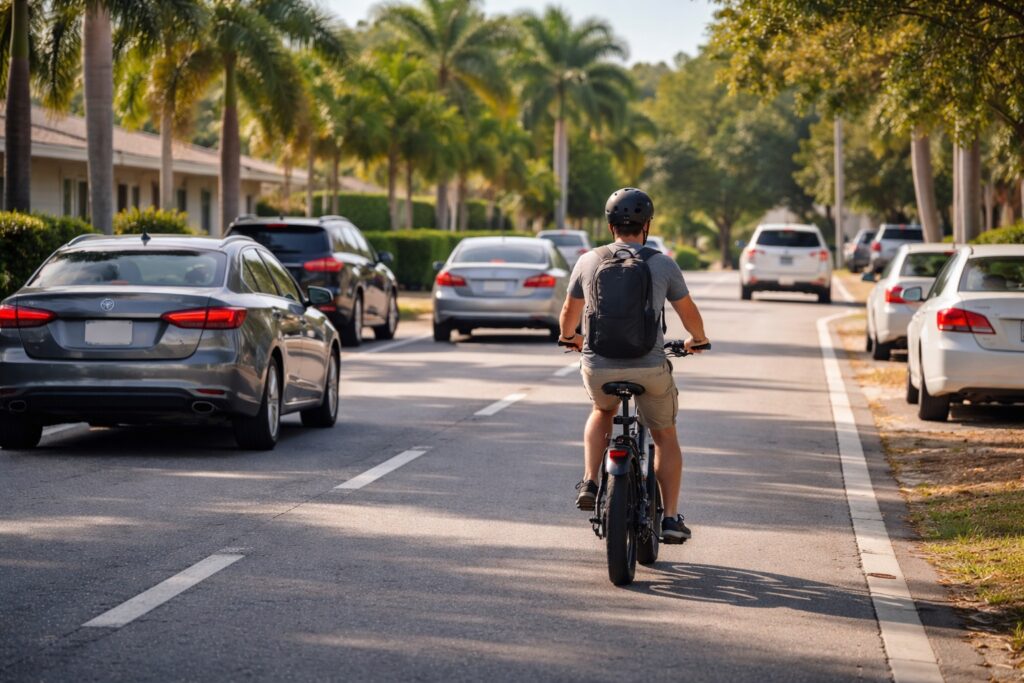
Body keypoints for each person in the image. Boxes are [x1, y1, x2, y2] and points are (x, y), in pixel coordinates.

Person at [558, 187, 709, 544]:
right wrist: (697, 341)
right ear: (647, 225)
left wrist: (570, 338)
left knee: (601, 410)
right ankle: (670, 518)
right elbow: (689, 315)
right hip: (649, 367)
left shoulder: (588, 261)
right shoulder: (662, 263)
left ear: (610, 226)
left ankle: (591, 481)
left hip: (599, 366)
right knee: (665, 435)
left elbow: (569, 315)